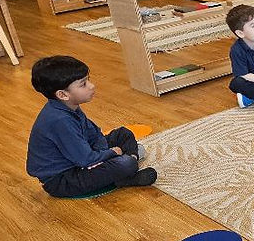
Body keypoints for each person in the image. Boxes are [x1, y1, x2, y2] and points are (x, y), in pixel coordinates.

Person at [26, 55, 156, 198]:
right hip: (63, 179)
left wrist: (104, 152)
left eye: (88, 80)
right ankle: (126, 171)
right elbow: (85, 159)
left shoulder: (69, 106)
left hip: (78, 158)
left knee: (123, 134)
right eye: (83, 84)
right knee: (126, 163)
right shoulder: (59, 120)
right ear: (63, 95)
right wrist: (112, 153)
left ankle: (129, 162)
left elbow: (93, 134)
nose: (91, 86)